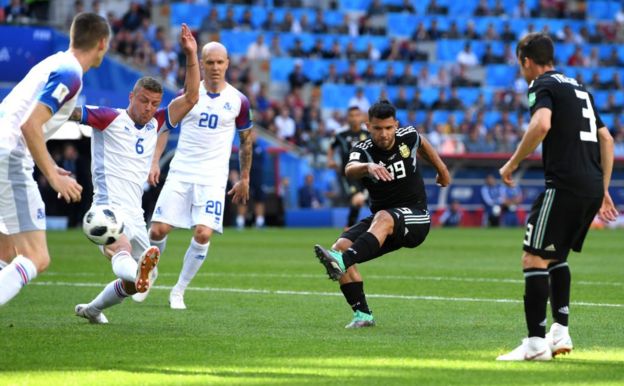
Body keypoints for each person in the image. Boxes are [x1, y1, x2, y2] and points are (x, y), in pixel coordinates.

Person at [497, 33, 618, 361]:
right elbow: (606, 139)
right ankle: (560, 332)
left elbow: (541, 123)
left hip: (564, 184)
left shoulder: (540, 84)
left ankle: (535, 345)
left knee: (533, 258)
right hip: (591, 185)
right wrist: (604, 188)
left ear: (526, 61)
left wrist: (512, 163)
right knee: (556, 257)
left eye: (520, 64)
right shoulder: (580, 87)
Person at [72, 24, 199, 323]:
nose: (148, 107)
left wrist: (191, 55)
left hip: (135, 211)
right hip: (107, 206)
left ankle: (93, 309)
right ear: (132, 96)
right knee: (122, 249)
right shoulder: (109, 118)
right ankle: (133, 267)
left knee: (138, 282)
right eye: (143, 101)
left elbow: (192, 98)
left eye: (154, 103)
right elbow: (74, 113)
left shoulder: (156, 122)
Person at [0, 13, 110, 306]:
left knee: (5, 251)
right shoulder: (70, 74)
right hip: (9, 156)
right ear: (103, 43)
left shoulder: (53, 63)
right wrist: (52, 174)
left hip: (3, 149)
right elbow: (30, 125)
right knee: (36, 257)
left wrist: (48, 164)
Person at [313, 100, 451, 328]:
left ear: (396, 125)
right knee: (340, 246)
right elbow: (349, 170)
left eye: (388, 128)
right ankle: (363, 315)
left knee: (381, 220)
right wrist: (368, 167)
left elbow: (423, 143)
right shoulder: (362, 150)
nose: (384, 134)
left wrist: (442, 170)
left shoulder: (408, 135)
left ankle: (341, 262)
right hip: (383, 221)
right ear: (368, 126)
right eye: (378, 128)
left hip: (416, 217)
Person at [148, 41, 253, 310]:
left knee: (204, 234)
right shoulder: (188, 95)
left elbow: (246, 141)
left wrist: (245, 177)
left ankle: (178, 291)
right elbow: (165, 127)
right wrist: (154, 163)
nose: (216, 67)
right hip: (181, 172)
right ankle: (149, 273)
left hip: (213, 179)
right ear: (202, 65)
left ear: (228, 63)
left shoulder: (239, 101)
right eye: (210, 62)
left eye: (220, 62)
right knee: (158, 229)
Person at [327, 106, 370, 228]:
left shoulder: (367, 133)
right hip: (348, 174)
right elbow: (331, 146)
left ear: (361, 117)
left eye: (357, 115)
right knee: (357, 199)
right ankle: (350, 228)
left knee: (361, 202)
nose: (354, 118)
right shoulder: (340, 133)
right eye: (351, 115)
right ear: (348, 117)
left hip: (365, 173)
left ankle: (349, 230)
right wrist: (330, 160)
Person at [236, 130, 266, 229]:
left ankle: (259, 221)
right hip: (245, 178)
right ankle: (240, 221)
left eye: (254, 134)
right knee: (242, 198)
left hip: (257, 178)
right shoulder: (243, 148)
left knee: (259, 198)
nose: (253, 136)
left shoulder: (260, 148)